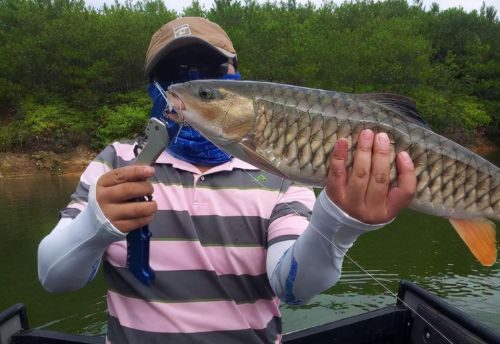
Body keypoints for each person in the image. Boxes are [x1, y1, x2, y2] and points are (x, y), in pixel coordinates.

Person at [38, 17, 416, 343]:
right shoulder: (115, 163)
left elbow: (294, 289)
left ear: (237, 76)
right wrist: (95, 225)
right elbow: (54, 277)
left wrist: (337, 223)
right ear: (155, 87)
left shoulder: (281, 172)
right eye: (175, 73)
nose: (189, 82)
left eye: (210, 72)